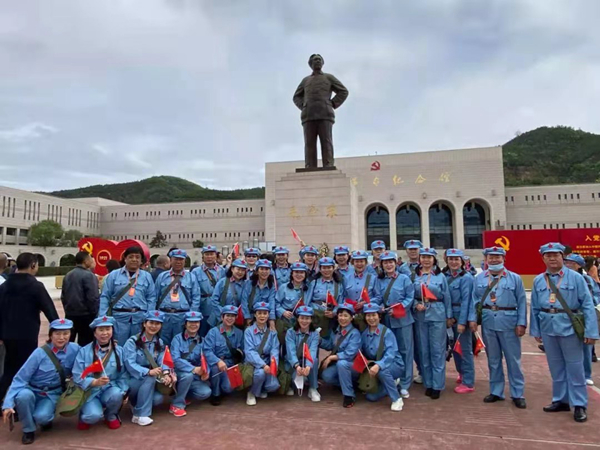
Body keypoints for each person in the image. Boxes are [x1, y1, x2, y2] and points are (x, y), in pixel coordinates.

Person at [531, 243, 599, 423]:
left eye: (556, 255)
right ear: (543, 258)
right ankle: (561, 400)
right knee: (556, 367)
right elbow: (535, 307)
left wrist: (591, 331)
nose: (552, 258)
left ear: (563, 257)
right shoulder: (539, 280)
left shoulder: (576, 278)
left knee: (575, 367)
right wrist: (536, 329)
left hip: (570, 327)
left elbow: (587, 305)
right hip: (548, 327)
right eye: (548, 256)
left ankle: (579, 404)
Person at [1, 319, 79, 445]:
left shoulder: (75, 349)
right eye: (57, 334)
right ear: (50, 335)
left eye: (65, 333)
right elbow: (20, 379)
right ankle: (28, 430)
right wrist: (8, 404)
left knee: (42, 417)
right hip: (32, 390)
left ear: (70, 334)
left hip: (52, 393)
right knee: (23, 397)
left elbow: (89, 356)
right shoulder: (39, 353)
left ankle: (43, 418)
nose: (61, 337)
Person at [472, 246, 527, 409]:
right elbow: (474, 301)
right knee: (493, 359)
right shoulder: (479, 278)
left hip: (509, 322)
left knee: (513, 360)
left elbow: (522, 302)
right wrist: (473, 319)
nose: (494, 260)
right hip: (488, 321)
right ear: (486, 259)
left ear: (504, 259)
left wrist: (521, 323)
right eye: (491, 257)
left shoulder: (515, 278)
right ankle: (496, 391)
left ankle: (518, 393)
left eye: (498, 257)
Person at [0, 253, 59, 401]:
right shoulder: (36, 286)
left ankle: (4, 398)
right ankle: (21, 402)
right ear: (33, 265)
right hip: (27, 335)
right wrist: (57, 330)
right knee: (27, 369)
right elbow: (50, 311)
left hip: (7, 334)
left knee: (9, 369)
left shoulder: (4, 285)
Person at [72, 316, 128, 430]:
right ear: (95, 333)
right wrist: (94, 382)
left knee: (117, 394)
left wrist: (124, 391)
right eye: (101, 330)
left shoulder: (119, 351)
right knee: (92, 416)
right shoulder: (84, 351)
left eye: (108, 329)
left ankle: (111, 415)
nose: (105, 333)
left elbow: (123, 374)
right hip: (90, 392)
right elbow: (77, 376)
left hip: (110, 388)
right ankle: (85, 414)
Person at [412, 247, 453, 400]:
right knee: (423, 350)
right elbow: (409, 295)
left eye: (429, 257)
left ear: (434, 260)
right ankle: (428, 383)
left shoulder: (440, 276)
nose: (426, 260)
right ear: (419, 259)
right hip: (420, 315)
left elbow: (447, 297)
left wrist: (449, 316)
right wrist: (415, 304)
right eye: (423, 257)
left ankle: (437, 385)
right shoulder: (414, 276)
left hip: (437, 314)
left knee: (437, 350)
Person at [373, 251, 414, 399]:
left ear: (396, 263)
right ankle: (391, 379)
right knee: (389, 351)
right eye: (385, 262)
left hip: (403, 320)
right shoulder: (379, 280)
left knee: (405, 351)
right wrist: (378, 307)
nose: (388, 265)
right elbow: (377, 297)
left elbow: (410, 297)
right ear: (381, 265)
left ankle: (405, 383)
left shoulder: (404, 279)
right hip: (387, 321)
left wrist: (399, 309)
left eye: (391, 262)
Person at [123, 310, 174, 426]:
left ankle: (136, 406)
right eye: (151, 322)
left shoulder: (159, 342)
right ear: (144, 324)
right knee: (149, 377)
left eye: (157, 323)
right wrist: (148, 372)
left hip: (150, 379)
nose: (153, 326)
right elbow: (129, 364)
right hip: (133, 379)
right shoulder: (132, 342)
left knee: (157, 399)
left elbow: (162, 359)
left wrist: (166, 373)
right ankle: (141, 415)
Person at [99, 246, 156, 346]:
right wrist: (103, 318)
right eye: (131, 257)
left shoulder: (147, 276)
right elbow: (105, 297)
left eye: (137, 257)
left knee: (138, 347)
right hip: (119, 319)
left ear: (141, 260)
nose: (134, 259)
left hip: (139, 320)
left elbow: (151, 298)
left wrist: (148, 317)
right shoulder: (114, 275)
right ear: (125, 258)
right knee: (118, 347)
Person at [442, 249, 476, 394]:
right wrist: (447, 317)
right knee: (455, 348)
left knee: (465, 349)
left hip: (461, 314)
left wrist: (462, 322)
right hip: (448, 315)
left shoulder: (466, 278)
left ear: (462, 261)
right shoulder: (444, 276)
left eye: (457, 259)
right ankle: (461, 373)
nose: (453, 262)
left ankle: (468, 381)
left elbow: (467, 301)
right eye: (451, 259)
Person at [360, 303, 405, 411]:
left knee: (382, 372)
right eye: (368, 315)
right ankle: (393, 384)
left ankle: (397, 399)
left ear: (379, 316)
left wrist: (378, 365)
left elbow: (391, 354)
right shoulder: (364, 334)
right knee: (371, 397)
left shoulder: (386, 332)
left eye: (374, 315)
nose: (371, 318)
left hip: (394, 364)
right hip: (376, 366)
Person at [564, 253, 600, 386]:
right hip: (567, 316)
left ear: (579, 265)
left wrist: (587, 303)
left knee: (586, 347)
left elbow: (596, 296)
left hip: (583, 316)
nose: (568, 265)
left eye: (571, 263)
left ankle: (586, 374)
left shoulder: (587, 279)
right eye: (566, 262)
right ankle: (569, 373)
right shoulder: (562, 279)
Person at [154, 249, 201, 345]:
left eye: (181, 259)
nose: (178, 262)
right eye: (176, 259)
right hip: (164, 316)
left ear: (185, 261)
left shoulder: (191, 277)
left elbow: (196, 298)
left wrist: (191, 317)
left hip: (182, 317)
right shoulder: (162, 276)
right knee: (162, 343)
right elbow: (155, 296)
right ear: (171, 260)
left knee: (181, 343)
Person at [169, 311, 211, 417]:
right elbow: (175, 360)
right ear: (185, 323)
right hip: (179, 373)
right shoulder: (177, 339)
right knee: (188, 375)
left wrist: (206, 371)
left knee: (205, 392)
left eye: (196, 322)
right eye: (190, 322)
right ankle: (177, 405)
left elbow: (207, 359)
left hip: (195, 376)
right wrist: (193, 369)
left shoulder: (203, 341)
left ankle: (184, 395)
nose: (193, 325)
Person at [320, 302, 361, 408]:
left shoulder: (355, 333)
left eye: (346, 316)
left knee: (342, 364)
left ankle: (349, 396)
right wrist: (319, 340)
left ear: (351, 318)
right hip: (340, 364)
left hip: (354, 365)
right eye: (340, 315)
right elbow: (331, 345)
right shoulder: (336, 330)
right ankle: (352, 385)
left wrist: (332, 357)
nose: (343, 318)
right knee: (327, 376)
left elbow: (350, 354)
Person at [203, 305, 245, 405]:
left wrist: (240, 356)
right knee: (215, 369)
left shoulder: (239, 333)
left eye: (233, 316)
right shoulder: (213, 332)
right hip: (216, 363)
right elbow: (207, 350)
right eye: (227, 315)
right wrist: (218, 361)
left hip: (231, 364)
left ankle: (222, 387)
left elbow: (244, 350)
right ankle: (215, 393)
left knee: (228, 388)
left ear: (236, 318)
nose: (230, 318)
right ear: (222, 317)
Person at [244, 302, 280, 406]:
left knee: (273, 385)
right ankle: (252, 393)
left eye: (265, 313)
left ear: (268, 315)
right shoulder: (249, 331)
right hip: (253, 363)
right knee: (260, 373)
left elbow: (275, 350)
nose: (262, 316)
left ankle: (261, 388)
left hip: (268, 362)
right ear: (255, 315)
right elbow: (250, 351)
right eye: (259, 313)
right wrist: (263, 365)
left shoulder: (272, 332)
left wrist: (273, 364)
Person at [61, 251, 99, 346]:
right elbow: (93, 297)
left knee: (68, 343)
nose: (92, 261)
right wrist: (94, 313)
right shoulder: (89, 275)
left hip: (70, 314)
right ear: (85, 261)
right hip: (86, 316)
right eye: (90, 259)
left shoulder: (68, 275)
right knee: (86, 344)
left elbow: (63, 296)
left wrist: (67, 309)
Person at [284, 305, 320, 402]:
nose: (304, 321)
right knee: (295, 380)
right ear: (298, 319)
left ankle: (313, 388)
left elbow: (313, 351)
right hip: (293, 363)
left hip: (306, 361)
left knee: (314, 361)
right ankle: (291, 385)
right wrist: (297, 366)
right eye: (302, 318)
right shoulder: (290, 332)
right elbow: (291, 351)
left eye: (307, 318)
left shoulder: (315, 334)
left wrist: (308, 366)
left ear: (311, 320)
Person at [193, 245, 227, 337]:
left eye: (211, 254)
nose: (209, 257)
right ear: (202, 256)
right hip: (204, 308)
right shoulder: (196, 272)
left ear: (216, 256)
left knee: (219, 335)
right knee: (202, 334)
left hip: (219, 308)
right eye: (207, 254)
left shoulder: (222, 271)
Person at [308, 257, 345, 338]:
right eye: (324, 268)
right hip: (316, 317)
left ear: (333, 268)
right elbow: (307, 301)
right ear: (320, 269)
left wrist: (334, 312)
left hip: (331, 319)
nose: (326, 270)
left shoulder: (338, 284)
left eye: (329, 267)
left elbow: (340, 301)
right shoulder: (314, 283)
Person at [208, 259, 247, 327]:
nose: (240, 272)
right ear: (232, 269)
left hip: (236, 320)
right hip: (219, 319)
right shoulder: (222, 282)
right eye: (238, 269)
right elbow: (214, 300)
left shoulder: (246, 285)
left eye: (243, 270)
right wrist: (224, 314)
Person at [242, 259, 276, 329]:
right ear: (257, 271)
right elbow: (244, 301)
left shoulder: (271, 286)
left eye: (267, 269)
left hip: (264, 318)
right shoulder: (249, 284)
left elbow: (272, 302)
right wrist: (248, 318)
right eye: (262, 269)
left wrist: (271, 320)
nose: (264, 272)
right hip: (250, 316)